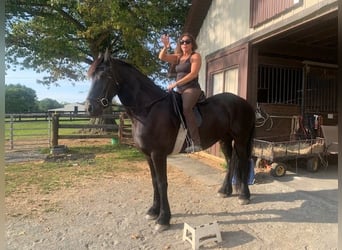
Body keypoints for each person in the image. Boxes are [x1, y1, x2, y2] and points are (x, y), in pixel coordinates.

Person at [159, 32, 203, 153]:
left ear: (192, 44)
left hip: (191, 88)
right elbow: (162, 57)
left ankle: (196, 142)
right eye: (182, 42)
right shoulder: (178, 57)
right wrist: (166, 47)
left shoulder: (195, 56)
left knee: (187, 108)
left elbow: (193, 74)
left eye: (187, 41)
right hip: (179, 90)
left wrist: (176, 83)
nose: (184, 44)